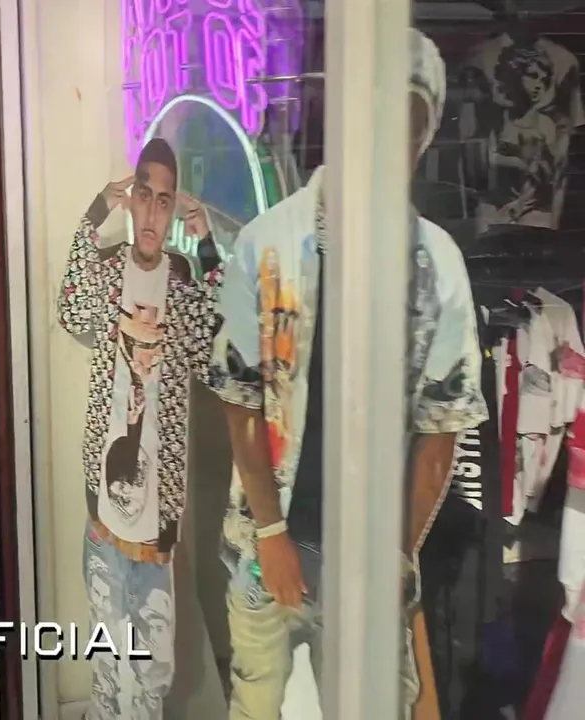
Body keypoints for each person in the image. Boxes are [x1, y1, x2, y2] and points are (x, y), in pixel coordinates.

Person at [207, 30, 487, 720]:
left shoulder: (437, 267)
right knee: (256, 704)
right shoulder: (267, 243)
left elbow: (442, 428)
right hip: (267, 545)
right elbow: (241, 400)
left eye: (411, 130)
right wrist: (272, 536)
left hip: (367, 563)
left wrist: (394, 556)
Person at [56, 136, 223, 719]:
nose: (152, 212)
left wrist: (206, 245)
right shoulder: (107, 277)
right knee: (107, 661)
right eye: (144, 196)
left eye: (164, 200)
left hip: (157, 515)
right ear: (132, 200)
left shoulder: (181, 287)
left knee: (154, 669)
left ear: (173, 210)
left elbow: (214, 348)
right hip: (105, 506)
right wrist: (94, 213)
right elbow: (69, 309)